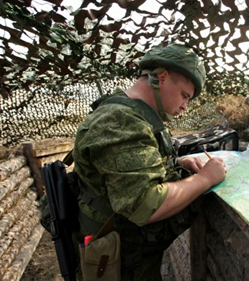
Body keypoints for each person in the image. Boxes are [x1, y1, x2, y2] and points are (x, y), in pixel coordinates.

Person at [72, 43, 226, 280]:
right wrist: (205, 179)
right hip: (117, 261)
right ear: (162, 77)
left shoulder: (134, 114)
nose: (185, 106)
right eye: (185, 95)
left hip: (132, 252)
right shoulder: (120, 121)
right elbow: (147, 203)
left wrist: (179, 166)